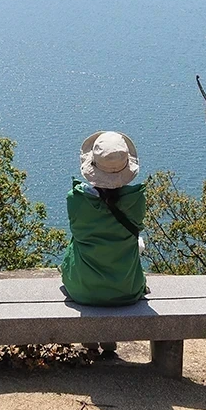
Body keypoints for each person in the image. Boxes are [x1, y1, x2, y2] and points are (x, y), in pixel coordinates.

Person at [60, 130, 146, 306]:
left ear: (92, 164)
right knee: (137, 242)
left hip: (82, 290)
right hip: (128, 290)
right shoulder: (136, 201)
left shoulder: (76, 200)